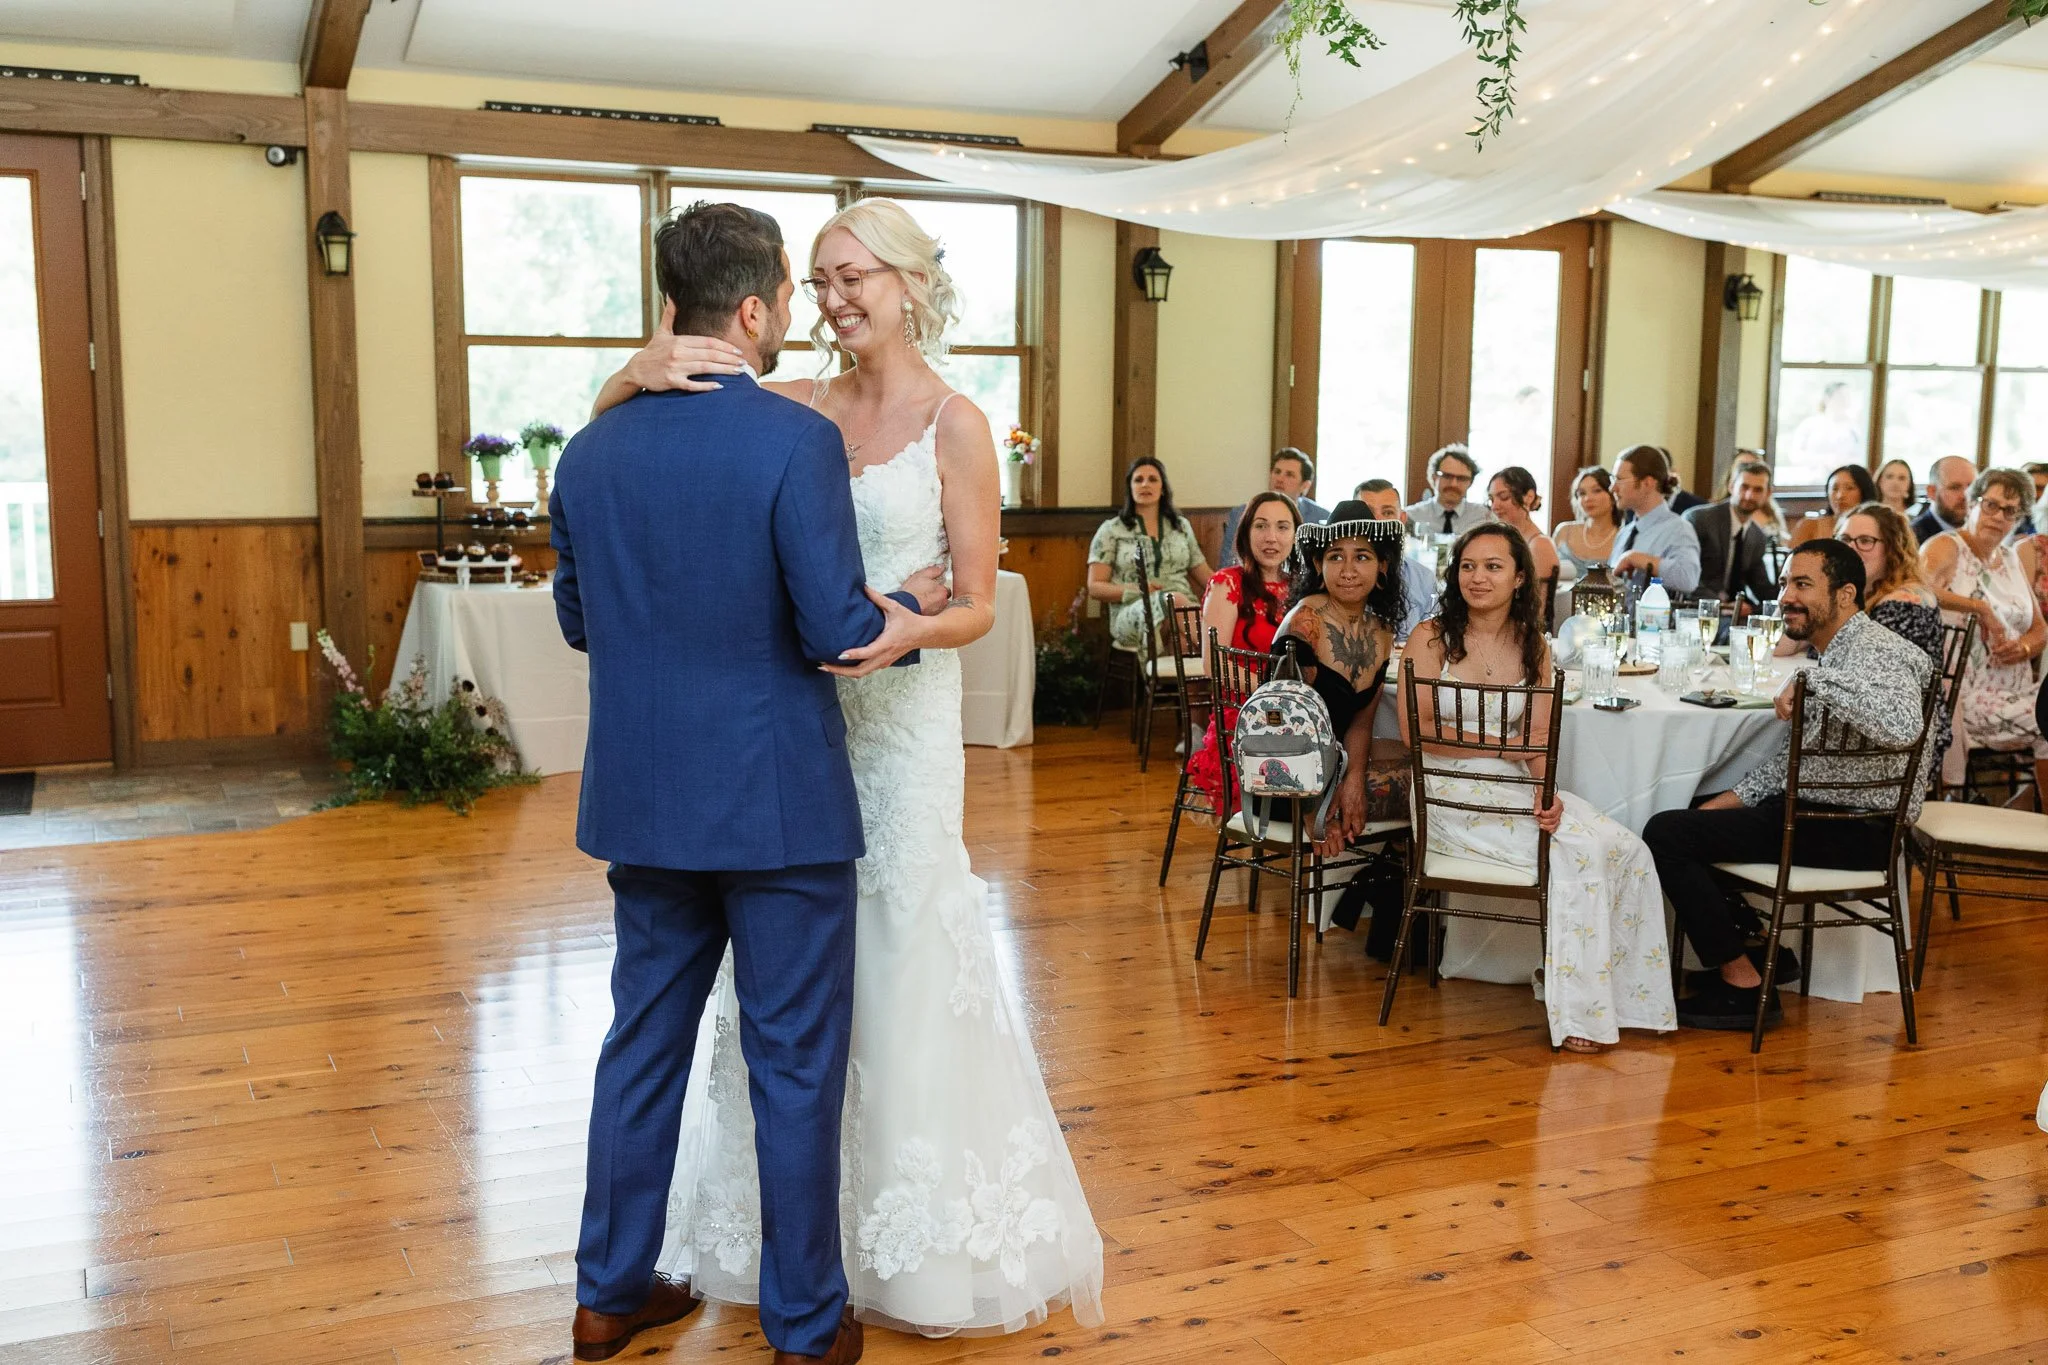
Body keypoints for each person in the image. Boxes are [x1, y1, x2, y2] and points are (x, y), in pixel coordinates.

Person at [591, 198, 1106, 1338]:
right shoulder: (791, 409)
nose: (830, 300)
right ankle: (798, 1274)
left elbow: (978, 603)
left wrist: (912, 625)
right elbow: (688, 480)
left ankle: (910, 1242)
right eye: (816, 280)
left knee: (899, 975)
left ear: (911, 285)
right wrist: (623, 376)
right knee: (788, 1026)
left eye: (852, 277)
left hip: (895, 738)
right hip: (789, 743)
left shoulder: (956, 425)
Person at [558, 201, 939, 1364]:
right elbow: (834, 630)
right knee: (791, 1061)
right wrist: (913, 603)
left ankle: (607, 1296)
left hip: (645, 803)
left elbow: (580, 621)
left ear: (671, 303)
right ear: (759, 305)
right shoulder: (790, 440)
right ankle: (803, 1325)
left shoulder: (592, 445)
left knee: (640, 1048)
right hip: (777, 809)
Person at [1399, 524, 1677, 1053]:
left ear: (1520, 577)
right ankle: (1577, 1015)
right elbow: (1419, 731)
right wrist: (1504, 749)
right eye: (1468, 566)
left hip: (1513, 790)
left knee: (1627, 848)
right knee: (1575, 852)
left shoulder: (1534, 645)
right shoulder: (1430, 638)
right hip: (1446, 796)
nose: (1477, 577)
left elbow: (1542, 737)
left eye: (1493, 566)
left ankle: (1626, 1000)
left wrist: (1545, 793)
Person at [1643, 541, 1935, 1033]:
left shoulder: (1878, 652)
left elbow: (1903, 725)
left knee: (1666, 835)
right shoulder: (1836, 652)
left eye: (1802, 585)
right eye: (1784, 584)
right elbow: (1787, 769)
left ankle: (1743, 985)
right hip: (1817, 810)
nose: (1785, 598)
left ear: (1845, 594)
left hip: (1857, 828)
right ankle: (1762, 950)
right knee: (1685, 812)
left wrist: (1812, 680)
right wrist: (1717, 806)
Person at [1263, 503, 1405, 852]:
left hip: (1336, 765)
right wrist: (1316, 811)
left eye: (1362, 557)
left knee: (1428, 773)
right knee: (1421, 791)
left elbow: (1359, 725)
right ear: (1317, 564)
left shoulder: (1382, 632)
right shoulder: (1304, 623)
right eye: (1336, 557)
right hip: (1286, 777)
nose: (1348, 570)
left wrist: (1353, 779)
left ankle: (1379, 891)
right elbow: (1282, 728)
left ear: (1382, 565)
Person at [1920, 467, 2048, 788]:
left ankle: (2027, 814)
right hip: (1967, 698)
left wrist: (2024, 648)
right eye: (1990, 505)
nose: (1998, 516)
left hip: (2015, 690)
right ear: (1972, 503)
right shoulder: (1946, 547)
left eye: (2010, 511)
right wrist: (1979, 607)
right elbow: (1918, 591)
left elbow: (2040, 630)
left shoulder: (2009, 557)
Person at [1187, 492, 1298, 812]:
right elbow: (1214, 664)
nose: (1271, 537)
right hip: (1243, 713)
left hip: (1292, 712)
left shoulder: (1300, 588)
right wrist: (1273, 692)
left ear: (1295, 535)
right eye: (1261, 526)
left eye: (1282, 527)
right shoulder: (1227, 583)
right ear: (1246, 533)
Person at [1831, 501, 1951, 771]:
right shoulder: (1863, 593)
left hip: (1904, 745)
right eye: (1845, 539)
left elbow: (1856, 671)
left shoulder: (1904, 602)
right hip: (1867, 722)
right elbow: (1790, 647)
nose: (1851, 549)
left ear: (1893, 549)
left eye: (1865, 541)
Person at [1086, 457, 1211, 654]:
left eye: (1153, 479)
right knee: (1176, 601)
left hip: (1181, 611)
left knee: (1184, 642)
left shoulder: (1181, 526)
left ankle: (1186, 684)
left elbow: (1205, 574)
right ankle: (1223, 663)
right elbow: (1095, 587)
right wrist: (1137, 589)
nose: (1145, 484)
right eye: (1138, 480)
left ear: (1163, 488)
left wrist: (1233, 593)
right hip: (1132, 611)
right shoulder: (1112, 530)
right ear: (1130, 488)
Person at [1610, 444, 1703, 596]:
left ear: (1647, 483)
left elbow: (1688, 578)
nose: (1613, 488)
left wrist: (1639, 559)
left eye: (1620, 480)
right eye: (1612, 479)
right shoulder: (1625, 533)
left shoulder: (1679, 529)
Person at [1685, 459, 1778, 605]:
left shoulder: (1757, 536)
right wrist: (1720, 605)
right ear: (1731, 486)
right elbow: (1685, 576)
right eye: (1744, 487)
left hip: (1733, 612)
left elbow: (1762, 586)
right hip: (1696, 608)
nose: (1749, 496)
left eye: (1758, 490)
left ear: (1768, 494)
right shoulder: (1699, 520)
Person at [1357, 478, 1437, 638]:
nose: (1378, 522)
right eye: (1368, 513)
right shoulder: (1337, 575)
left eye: (1387, 513)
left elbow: (1434, 640)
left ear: (1402, 519)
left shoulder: (1424, 578)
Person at [1220, 449, 1325, 566]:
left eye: (1289, 475)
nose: (1280, 479)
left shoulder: (1321, 518)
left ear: (1305, 485)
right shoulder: (1242, 513)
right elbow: (1227, 562)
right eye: (1277, 472)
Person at [1485, 467, 1559, 584]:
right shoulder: (1503, 540)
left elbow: (1539, 600)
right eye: (1491, 499)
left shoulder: (1539, 545)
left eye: (1504, 497)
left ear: (1529, 497)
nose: (1494, 506)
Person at [1404, 444, 1488, 538]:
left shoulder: (1484, 518)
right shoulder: (1411, 517)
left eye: (1461, 478)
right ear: (1434, 477)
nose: (1453, 484)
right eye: (1447, 476)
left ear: (1471, 482)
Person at [1554, 465, 1624, 573]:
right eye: (1582, 493)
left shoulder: (1624, 537)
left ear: (1612, 495)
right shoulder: (1564, 531)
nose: (1588, 498)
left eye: (1597, 491)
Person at [1789, 464, 1879, 547]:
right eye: (1834, 489)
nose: (1840, 496)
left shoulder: (1877, 528)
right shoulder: (1809, 526)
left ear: (1864, 492)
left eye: (1850, 488)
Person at [1912, 456, 1975, 543]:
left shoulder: (1983, 536)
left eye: (1971, 487)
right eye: (1955, 488)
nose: (1965, 495)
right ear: (1932, 492)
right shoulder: (1912, 538)